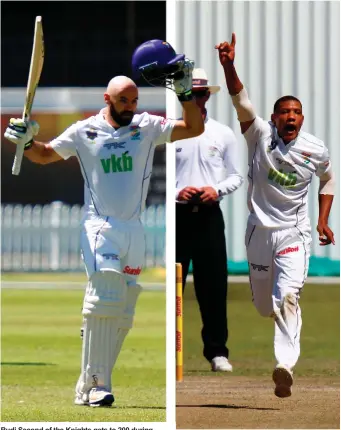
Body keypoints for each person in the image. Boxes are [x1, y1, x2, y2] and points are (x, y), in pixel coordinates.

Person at [4, 40, 204, 407]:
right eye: (122, 101)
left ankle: (86, 386)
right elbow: (46, 155)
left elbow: (193, 128)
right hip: (99, 227)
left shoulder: (147, 127)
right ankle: (98, 385)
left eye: (133, 101)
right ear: (107, 99)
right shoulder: (84, 131)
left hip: (134, 229)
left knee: (124, 311)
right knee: (105, 297)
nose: (129, 107)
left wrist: (185, 92)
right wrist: (27, 140)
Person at [215, 34, 335, 397]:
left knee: (288, 297)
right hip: (258, 233)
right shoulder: (258, 134)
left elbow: (328, 180)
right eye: (285, 112)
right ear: (274, 117)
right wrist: (228, 65)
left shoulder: (315, 149)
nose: (290, 117)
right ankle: (275, 322)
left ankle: (284, 365)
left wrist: (322, 220)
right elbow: (240, 98)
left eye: (296, 112)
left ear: (302, 118)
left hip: (294, 233)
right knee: (265, 306)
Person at [175, 68, 243, 372]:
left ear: (208, 96)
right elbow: (152, 179)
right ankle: (168, 348)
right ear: (183, 96)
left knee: (214, 287)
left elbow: (237, 176)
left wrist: (214, 190)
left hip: (209, 216)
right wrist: (178, 191)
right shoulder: (170, 131)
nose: (197, 99)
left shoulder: (222, 133)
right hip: (178, 215)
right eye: (191, 94)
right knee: (174, 286)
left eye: (201, 94)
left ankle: (217, 352)